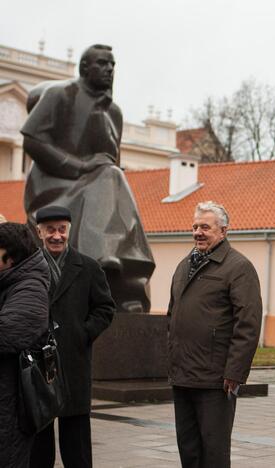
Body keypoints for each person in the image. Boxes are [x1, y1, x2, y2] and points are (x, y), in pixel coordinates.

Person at [21, 44, 154, 313]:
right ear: (84, 68)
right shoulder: (61, 95)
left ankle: (121, 271)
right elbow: (32, 140)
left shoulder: (113, 112)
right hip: (54, 185)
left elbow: (111, 159)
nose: (109, 69)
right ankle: (102, 258)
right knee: (109, 176)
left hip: (96, 185)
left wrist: (98, 169)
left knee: (112, 177)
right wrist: (79, 166)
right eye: (103, 64)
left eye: (113, 65)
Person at [167, 201, 262, 468]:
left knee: (214, 452)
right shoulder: (185, 265)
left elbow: (248, 324)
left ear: (223, 231)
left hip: (216, 380)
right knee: (188, 448)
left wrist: (235, 373)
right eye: (195, 226)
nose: (198, 232)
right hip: (183, 375)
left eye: (205, 227)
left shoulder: (238, 267)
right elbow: (173, 315)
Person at [29, 206, 115, 468]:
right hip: (37, 364)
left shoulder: (88, 267)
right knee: (38, 442)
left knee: (76, 443)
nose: (57, 236)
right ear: (39, 232)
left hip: (74, 361)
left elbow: (105, 308)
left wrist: (83, 333)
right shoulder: (29, 267)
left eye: (62, 229)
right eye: (50, 230)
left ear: (69, 230)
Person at [0, 222, 50, 467]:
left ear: (10, 257)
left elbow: (8, 333)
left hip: (10, 408)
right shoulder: (9, 281)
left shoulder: (31, 287)